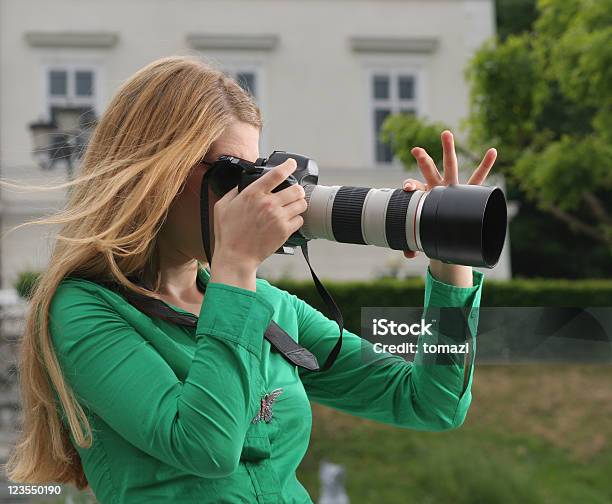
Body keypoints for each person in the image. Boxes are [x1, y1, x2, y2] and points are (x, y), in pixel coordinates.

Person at [5, 55, 496, 503]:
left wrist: (448, 263)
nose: (254, 193)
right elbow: (205, 445)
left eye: (256, 171)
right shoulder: (84, 309)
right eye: (233, 172)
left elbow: (431, 403)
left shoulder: (270, 308)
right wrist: (235, 268)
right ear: (158, 171)